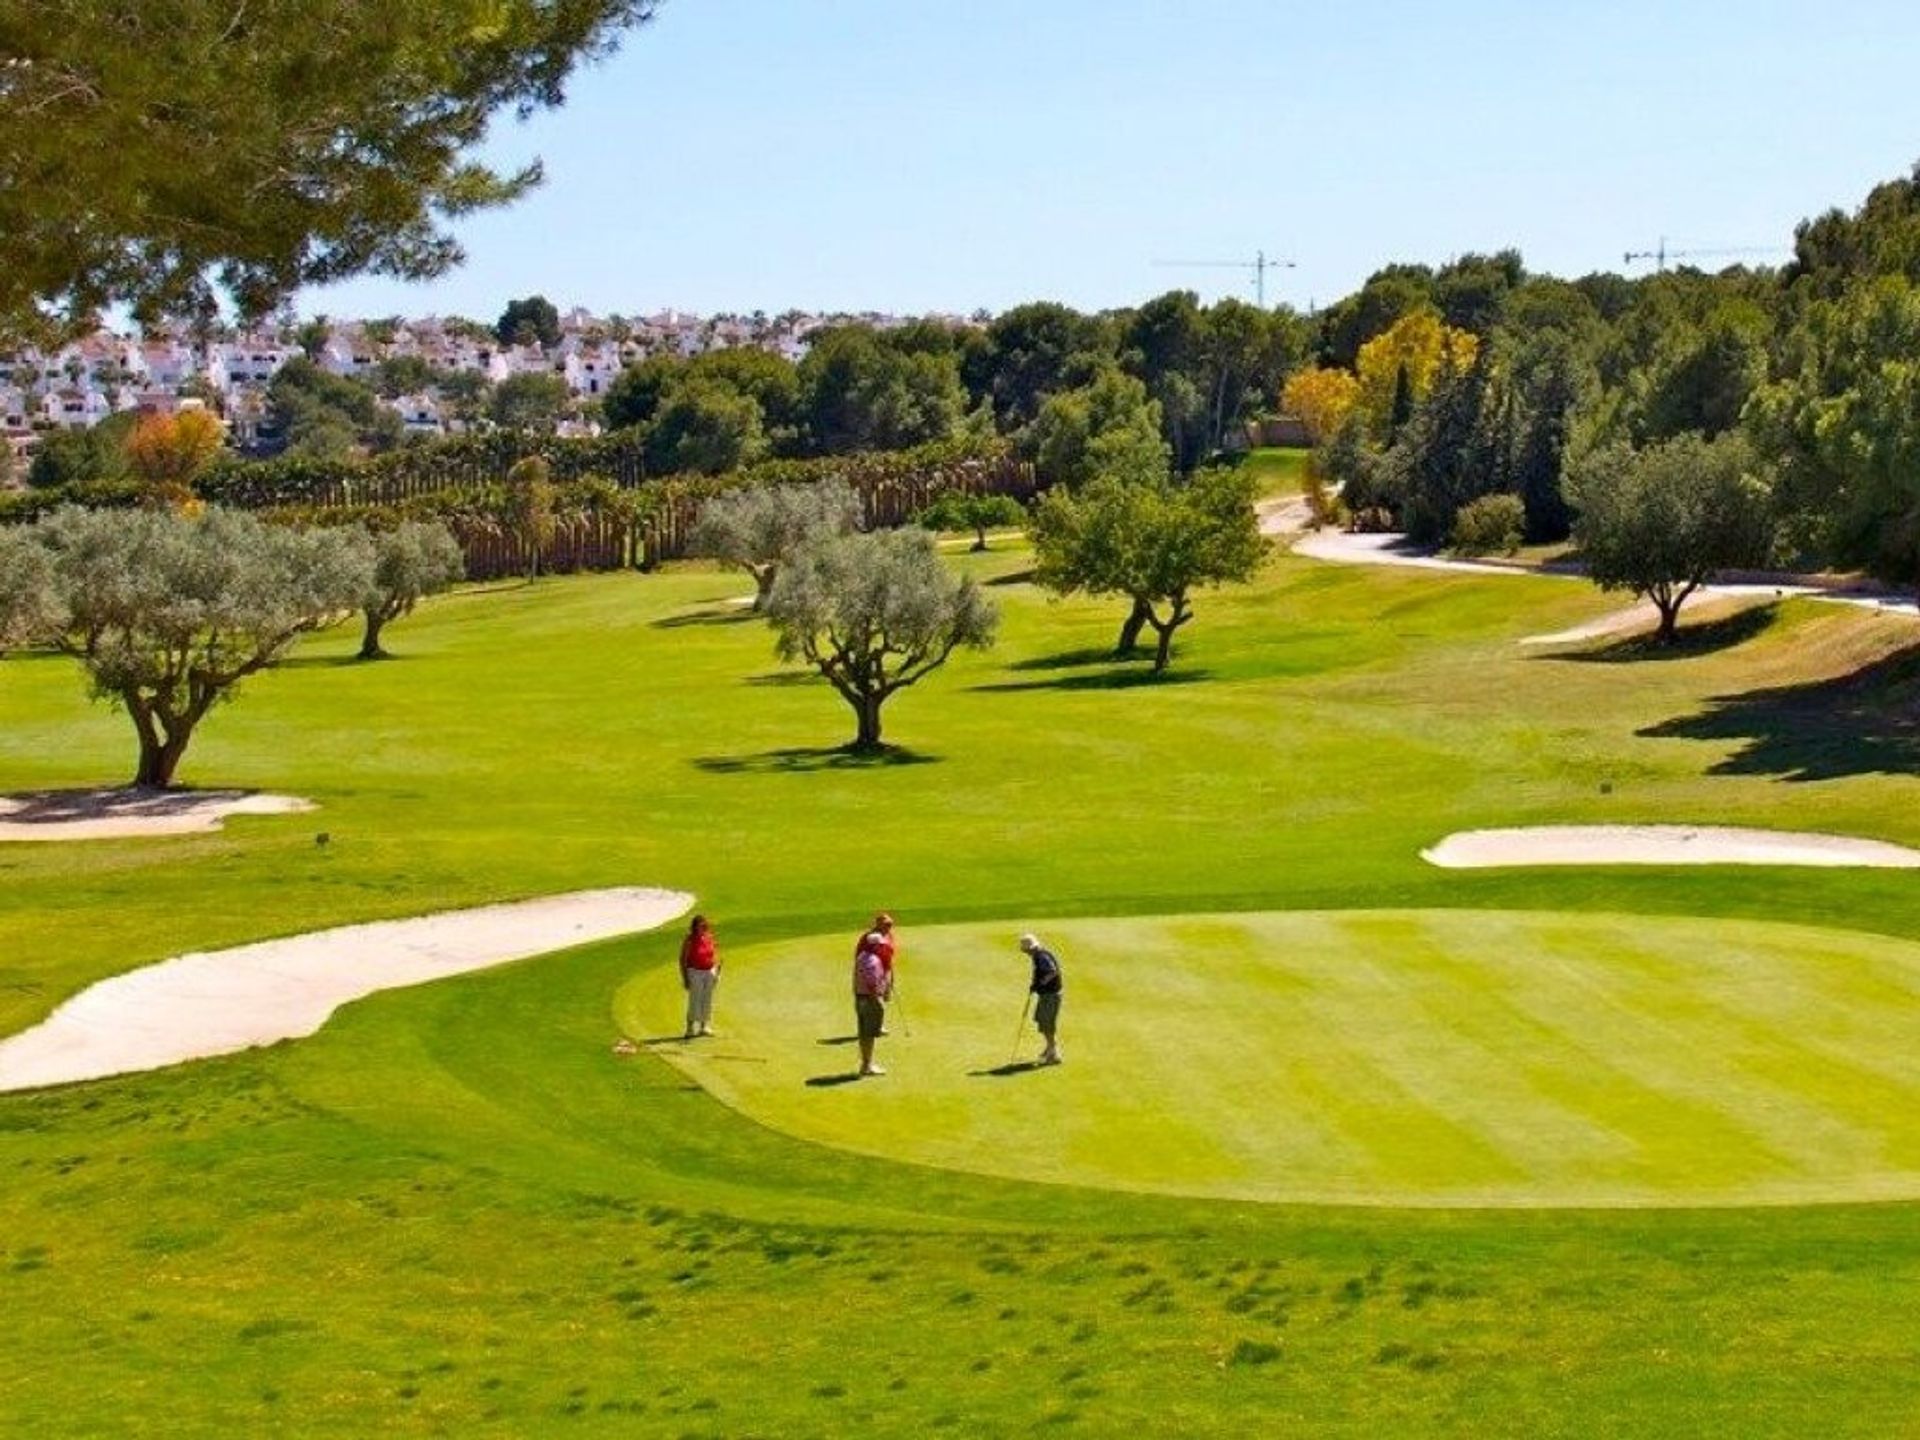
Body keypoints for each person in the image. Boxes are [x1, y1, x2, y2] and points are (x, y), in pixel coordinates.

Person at [852, 912, 896, 1076]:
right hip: (869, 999)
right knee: (869, 1034)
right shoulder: (872, 961)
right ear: (876, 946)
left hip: (860, 997)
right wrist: (878, 1001)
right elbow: (872, 985)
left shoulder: (863, 956)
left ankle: (865, 1065)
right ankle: (867, 1066)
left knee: (864, 1033)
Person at [1020, 933, 1063, 1065]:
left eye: (1026, 950)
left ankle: (1054, 1054)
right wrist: (1036, 984)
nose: (1026, 953)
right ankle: (1050, 1048)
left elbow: (1052, 971)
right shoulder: (1038, 955)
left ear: (1030, 949)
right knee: (1042, 1021)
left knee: (1046, 1023)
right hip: (1048, 994)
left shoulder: (1041, 956)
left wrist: (1040, 983)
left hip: (1050, 995)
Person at [679, 914, 719, 1039]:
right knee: (695, 1000)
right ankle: (690, 1028)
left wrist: (716, 970)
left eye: (704, 925)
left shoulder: (709, 937)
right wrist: (685, 978)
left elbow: (713, 953)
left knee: (706, 999)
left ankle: (704, 1026)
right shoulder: (689, 939)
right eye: (700, 925)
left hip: (709, 972)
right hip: (695, 972)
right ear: (694, 926)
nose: (703, 927)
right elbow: (682, 959)